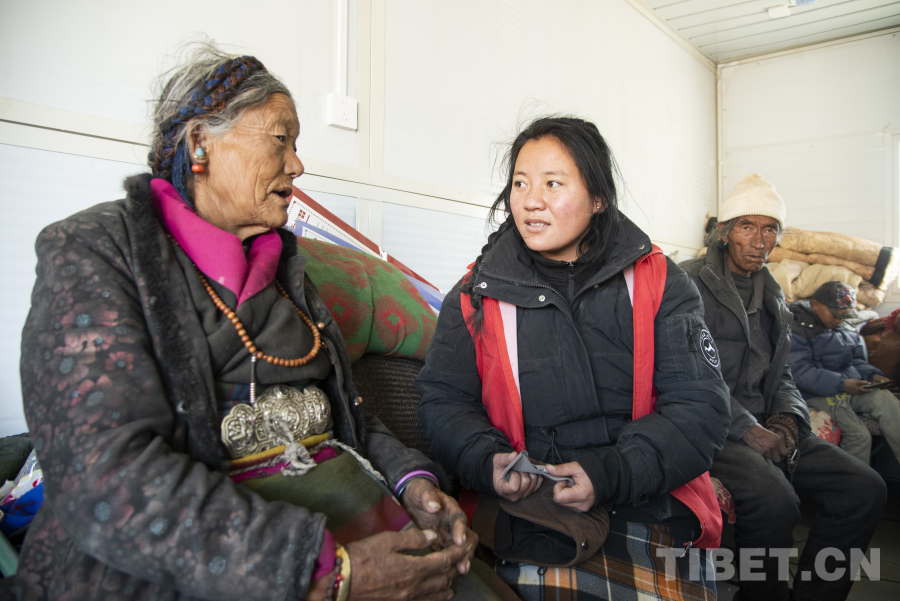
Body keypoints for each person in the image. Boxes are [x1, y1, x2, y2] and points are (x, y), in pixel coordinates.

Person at [8, 44, 484, 601]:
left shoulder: (288, 269)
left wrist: (413, 482)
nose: (298, 165)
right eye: (280, 139)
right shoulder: (97, 250)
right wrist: (330, 573)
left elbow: (347, 414)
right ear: (200, 143)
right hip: (214, 562)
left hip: (344, 511)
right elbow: (107, 478)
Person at [417, 116, 731, 600]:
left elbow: (701, 407)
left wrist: (612, 472)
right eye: (520, 183)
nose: (530, 200)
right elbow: (444, 399)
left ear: (598, 198)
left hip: (645, 496)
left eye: (553, 183)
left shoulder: (660, 282)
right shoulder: (476, 292)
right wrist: (484, 459)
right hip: (530, 509)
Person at [680, 173, 886, 601]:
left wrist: (789, 418)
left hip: (765, 421)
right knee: (777, 502)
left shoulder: (773, 292)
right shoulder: (688, 283)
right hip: (711, 426)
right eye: (747, 226)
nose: (759, 241)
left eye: (770, 229)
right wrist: (747, 429)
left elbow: (783, 374)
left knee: (864, 489)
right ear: (724, 232)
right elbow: (685, 374)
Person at [789, 281, 900, 464]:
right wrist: (841, 383)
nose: (839, 320)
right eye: (835, 314)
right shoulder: (796, 329)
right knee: (859, 436)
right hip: (816, 394)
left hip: (848, 388)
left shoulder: (845, 327)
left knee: (886, 400)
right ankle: (855, 481)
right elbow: (799, 372)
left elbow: (856, 360)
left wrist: (872, 375)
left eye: (844, 316)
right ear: (815, 305)